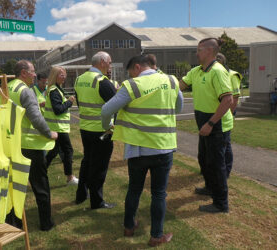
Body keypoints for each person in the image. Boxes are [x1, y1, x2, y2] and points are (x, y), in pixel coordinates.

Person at [101, 54, 183, 246]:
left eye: (131, 73)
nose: (132, 76)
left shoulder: (132, 85)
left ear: (137, 67)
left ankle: (129, 226)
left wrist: (107, 126)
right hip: (163, 147)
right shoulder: (171, 81)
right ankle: (156, 236)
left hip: (138, 149)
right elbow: (178, 107)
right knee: (159, 194)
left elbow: (106, 110)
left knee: (135, 189)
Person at [180, 38, 233, 213]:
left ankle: (220, 203)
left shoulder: (218, 72)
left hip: (216, 125)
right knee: (204, 160)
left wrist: (210, 123)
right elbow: (179, 86)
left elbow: (227, 100)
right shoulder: (196, 71)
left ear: (210, 51)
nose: (197, 53)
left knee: (217, 164)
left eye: (199, 50)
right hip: (203, 122)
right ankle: (210, 188)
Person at [5, 60, 58, 231]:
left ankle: (13, 222)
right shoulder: (25, 91)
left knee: (13, 186)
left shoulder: (5, 89)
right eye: (33, 71)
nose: (35, 75)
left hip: (9, 145)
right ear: (23, 73)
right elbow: (36, 118)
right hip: (30, 147)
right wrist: (49, 133)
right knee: (40, 186)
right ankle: (46, 223)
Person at [74, 51, 117, 209]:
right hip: (102, 131)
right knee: (99, 167)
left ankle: (81, 194)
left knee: (87, 162)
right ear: (103, 62)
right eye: (110, 62)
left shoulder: (80, 79)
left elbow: (79, 103)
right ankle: (97, 201)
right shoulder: (102, 81)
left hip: (85, 128)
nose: (110, 66)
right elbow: (117, 104)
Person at [44, 66, 78, 185]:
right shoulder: (54, 90)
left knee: (53, 152)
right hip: (58, 128)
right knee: (68, 151)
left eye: (64, 74)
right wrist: (69, 102)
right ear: (54, 76)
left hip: (57, 127)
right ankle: (70, 178)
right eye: (61, 74)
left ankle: (39, 173)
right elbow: (58, 110)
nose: (63, 77)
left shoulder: (56, 89)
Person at [216, 52, 243, 179]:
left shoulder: (231, 75)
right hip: (218, 112)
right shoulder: (217, 73)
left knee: (226, 144)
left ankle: (226, 170)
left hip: (227, 112)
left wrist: (229, 115)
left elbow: (235, 98)